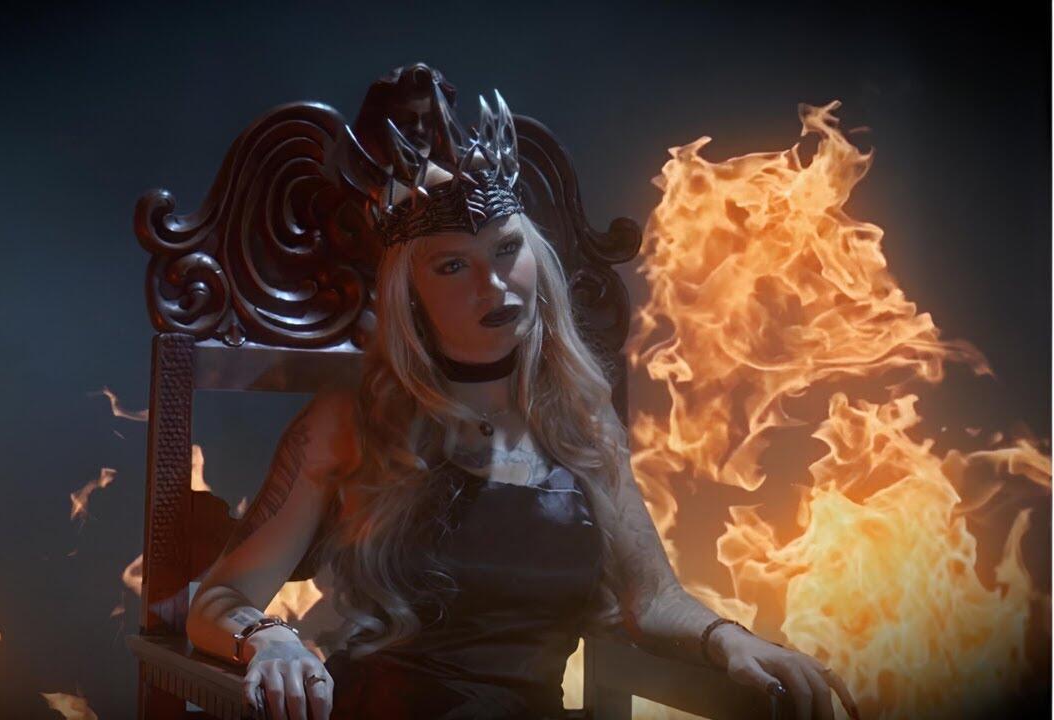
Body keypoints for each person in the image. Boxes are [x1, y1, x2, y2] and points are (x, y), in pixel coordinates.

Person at [185, 63, 860, 720]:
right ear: (410, 297)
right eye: (454, 266)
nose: (494, 286)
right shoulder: (349, 422)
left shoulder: (579, 420)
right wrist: (268, 639)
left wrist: (726, 638)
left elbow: (653, 601)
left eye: (506, 249)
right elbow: (218, 601)